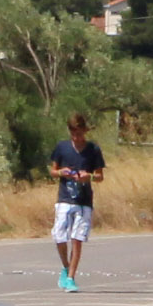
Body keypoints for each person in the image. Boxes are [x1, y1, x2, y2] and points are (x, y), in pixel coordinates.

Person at [49, 111, 105, 292]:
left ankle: (71, 278)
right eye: (73, 134)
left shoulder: (93, 150)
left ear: (85, 131)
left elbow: (99, 176)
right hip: (64, 197)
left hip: (83, 201)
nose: (77, 137)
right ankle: (65, 267)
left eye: (79, 134)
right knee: (59, 235)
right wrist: (61, 173)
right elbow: (53, 171)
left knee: (77, 239)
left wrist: (87, 177)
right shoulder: (62, 147)